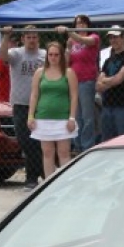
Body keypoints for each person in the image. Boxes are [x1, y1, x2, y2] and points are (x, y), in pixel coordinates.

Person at [2, 25, 45, 190]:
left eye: (34, 37)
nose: (32, 40)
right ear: (23, 39)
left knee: (38, 142)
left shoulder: (45, 56)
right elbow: (3, 57)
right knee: (24, 140)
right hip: (20, 104)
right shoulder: (16, 54)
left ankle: (32, 178)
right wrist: (6, 36)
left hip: (41, 105)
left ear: (38, 39)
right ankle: (43, 172)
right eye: (29, 37)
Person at [28, 41, 78, 182]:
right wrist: (31, 116)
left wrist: (72, 118)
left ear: (61, 56)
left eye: (56, 54)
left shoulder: (68, 72)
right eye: (50, 54)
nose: (53, 57)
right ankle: (49, 183)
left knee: (63, 152)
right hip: (43, 118)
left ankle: (66, 183)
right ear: (47, 56)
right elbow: (34, 95)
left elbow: (74, 96)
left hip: (63, 118)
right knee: (47, 152)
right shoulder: (39, 73)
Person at [57, 15, 99, 152]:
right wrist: (68, 48)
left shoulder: (94, 37)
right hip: (73, 82)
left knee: (87, 117)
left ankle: (87, 146)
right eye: (77, 23)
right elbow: (66, 61)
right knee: (76, 116)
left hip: (87, 81)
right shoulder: (72, 42)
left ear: (87, 24)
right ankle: (78, 146)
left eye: (82, 23)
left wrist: (68, 31)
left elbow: (82, 40)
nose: (80, 25)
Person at [96, 26, 124, 141]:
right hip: (107, 106)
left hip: (123, 107)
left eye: (116, 37)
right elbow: (98, 86)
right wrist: (111, 81)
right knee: (107, 141)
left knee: (123, 141)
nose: (113, 40)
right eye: (111, 38)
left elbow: (120, 78)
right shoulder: (108, 60)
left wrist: (106, 81)